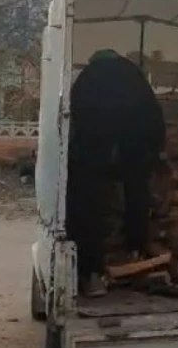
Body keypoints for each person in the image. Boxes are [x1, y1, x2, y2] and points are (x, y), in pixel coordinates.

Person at [66, 49, 167, 298]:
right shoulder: (135, 76)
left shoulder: (87, 77)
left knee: (89, 203)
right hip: (135, 146)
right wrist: (154, 151)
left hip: (95, 147)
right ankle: (137, 250)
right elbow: (154, 116)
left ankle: (92, 273)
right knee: (136, 193)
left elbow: (75, 115)